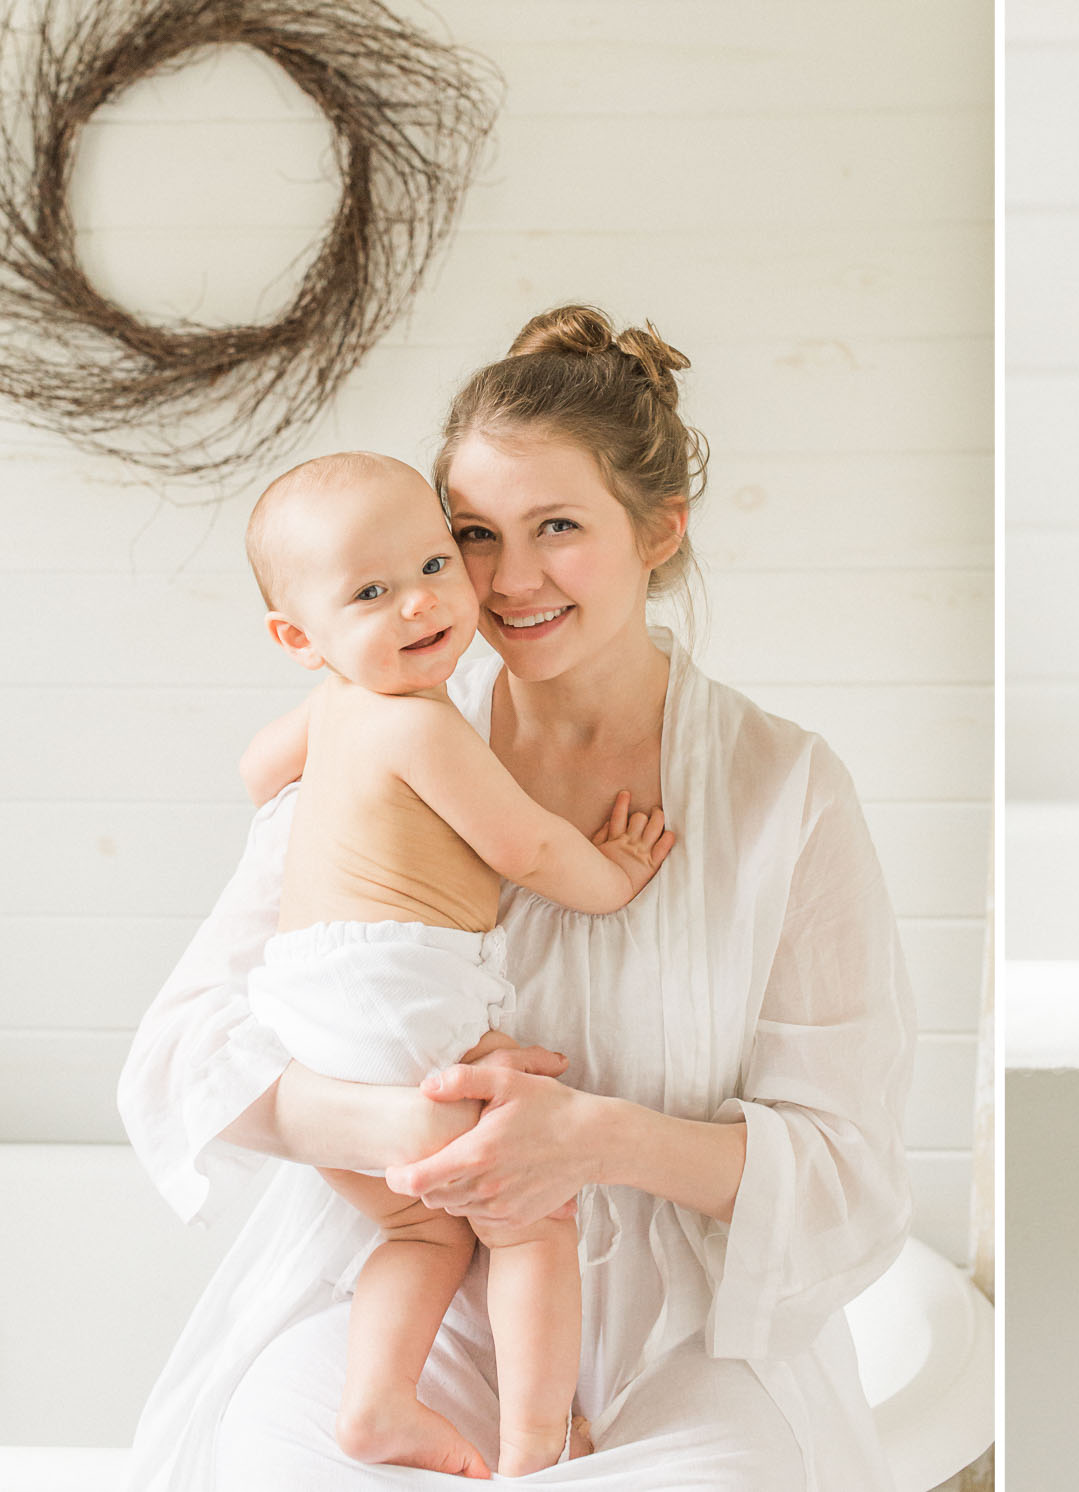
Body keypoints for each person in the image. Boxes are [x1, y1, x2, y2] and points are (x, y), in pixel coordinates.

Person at [117, 305, 915, 1490]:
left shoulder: (784, 791)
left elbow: (846, 1165)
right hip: (418, 1288)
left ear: (658, 531)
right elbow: (184, 1055)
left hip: (682, 1332)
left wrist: (589, 1140)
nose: (509, 579)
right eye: (476, 533)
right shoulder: (378, 739)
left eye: (558, 527)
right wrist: (415, 1137)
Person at [235, 450, 675, 1477]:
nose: (419, 604)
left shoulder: (339, 700)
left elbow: (258, 771)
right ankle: (537, 1443)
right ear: (299, 635)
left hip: (307, 998)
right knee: (531, 1219)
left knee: (424, 1231)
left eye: (434, 564)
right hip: (395, 990)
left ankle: (379, 1405)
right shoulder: (420, 723)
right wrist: (609, 876)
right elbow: (521, 846)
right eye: (370, 592)